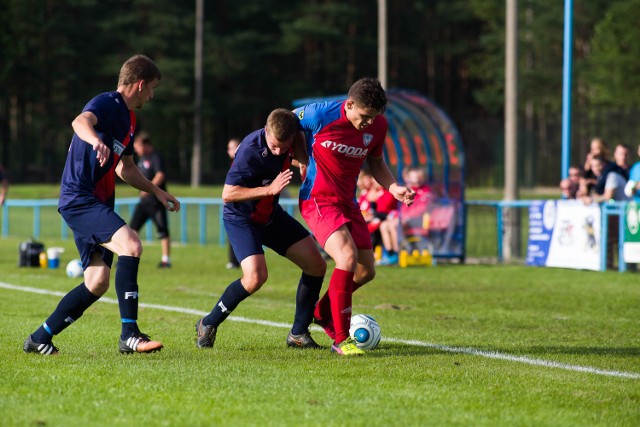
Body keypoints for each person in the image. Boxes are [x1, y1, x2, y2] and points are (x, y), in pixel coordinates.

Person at [23, 54, 180, 356]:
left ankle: (39, 338)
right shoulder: (108, 102)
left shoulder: (130, 119)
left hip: (95, 201)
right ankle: (129, 335)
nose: (152, 95)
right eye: (152, 88)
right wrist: (95, 140)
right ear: (140, 83)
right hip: (80, 199)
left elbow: (126, 168)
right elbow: (79, 121)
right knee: (132, 246)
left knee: (96, 282)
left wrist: (155, 190)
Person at [294, 77, 415, 356]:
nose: (369, 123)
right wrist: (301, 158)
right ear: (348, 105)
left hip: (348, 202)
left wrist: (394, 186)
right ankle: (340, 339)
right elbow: (282, 123)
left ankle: (323, 313)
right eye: (364, 116)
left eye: (374, 117)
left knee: (366, 271)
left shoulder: (377, 125)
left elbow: (376, 161)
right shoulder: (319, 113)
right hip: (318, 200)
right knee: (346, 258)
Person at [195, 108, 327, 350]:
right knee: (256, 277)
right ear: (266, 131)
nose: (278, 151)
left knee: (316, 264)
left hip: (270, 216)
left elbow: (299, 138)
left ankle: (298, 333)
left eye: (283, 146)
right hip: (241, 219)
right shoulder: (249, 151)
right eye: (275, 146)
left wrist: (303, 161)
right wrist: (269, 190)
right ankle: (208, 322)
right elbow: (228, 194)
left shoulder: (292, 136)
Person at [129, 132, 173, 268]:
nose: (136, 149)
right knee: (132, 229)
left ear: (147, 145)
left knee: (162, 231)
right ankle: (129, 257)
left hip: (156, 202)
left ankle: (166, 260)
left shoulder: (156, 157)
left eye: (138, 146)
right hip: (143, 203)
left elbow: (160, 175)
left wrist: (149, 189)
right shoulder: (140, 159)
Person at [225, 137, 241, 269]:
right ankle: (233, 261)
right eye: (229, 148)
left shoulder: (241, 163)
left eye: (233, 147)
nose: (230, 151)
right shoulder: (233, 164)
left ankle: (236, 261)